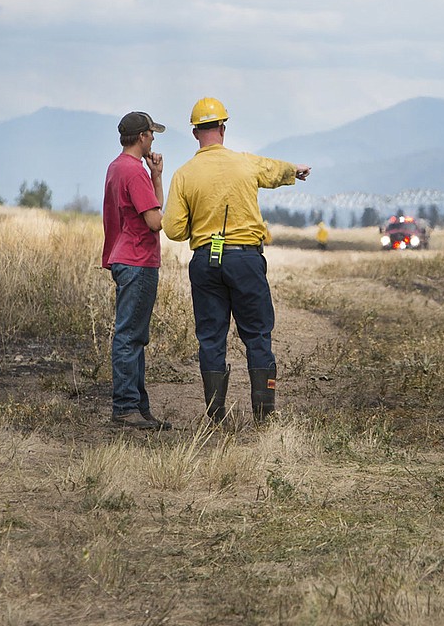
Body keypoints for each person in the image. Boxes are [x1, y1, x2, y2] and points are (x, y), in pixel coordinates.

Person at [162, 97, 311, 425]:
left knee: (211, 337)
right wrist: (294, 171)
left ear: (195, 133)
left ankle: (216, 418)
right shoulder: (245, 163)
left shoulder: (184, 174)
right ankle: (264, 417)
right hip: (246, 260)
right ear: (223, 129)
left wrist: (197, 225)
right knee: (257, 334)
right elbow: (273, 170)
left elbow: (172, 229)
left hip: (205, 262)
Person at [101, 111, 171, 431]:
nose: (153, 139)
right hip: (138, 260)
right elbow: (155, 221)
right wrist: (154, 178)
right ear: (142, 137)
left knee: (133, 335)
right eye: (152, 134)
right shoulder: (134, 172)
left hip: (121, 257)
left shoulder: (116, 167)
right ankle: (126, 406)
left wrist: (155, 175)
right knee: (130, 336)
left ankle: (138, 407)